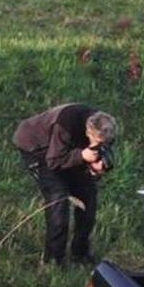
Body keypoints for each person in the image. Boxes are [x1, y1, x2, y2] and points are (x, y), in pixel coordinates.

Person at [13, 103, 117, 266]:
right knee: (58, 198)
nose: (100, 146)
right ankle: (54, 259)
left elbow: (101, 150)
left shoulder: (104, 126)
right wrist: (82, 156)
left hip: (68, 150)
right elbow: (54, 161)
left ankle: (80, 253)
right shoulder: (66, 124)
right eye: (97, 142)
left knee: (88, 197)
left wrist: (99, 165)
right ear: (88, 132)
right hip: (39, 150)